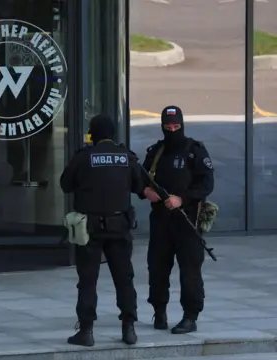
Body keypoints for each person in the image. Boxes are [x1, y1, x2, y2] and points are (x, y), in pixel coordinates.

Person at [60, 114, 144, 347]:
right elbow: (139, 186)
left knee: (88, 280)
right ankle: (129, 328)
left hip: (90, 229)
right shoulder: (127, 158)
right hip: (119, 228)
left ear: (93, 134)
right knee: (124, 279)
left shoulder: (84, 157)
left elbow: (65, 184)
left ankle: (86, 331)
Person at [139, 105, 215, 334]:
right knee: (157, 268)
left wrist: (182, 199)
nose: (172, 130)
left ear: (182, 125)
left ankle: (190, 316)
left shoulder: (195, 151)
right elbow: (140, 178)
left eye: (176, 126)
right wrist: (145, 192)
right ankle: (159, 311)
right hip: (161, 222)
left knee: (190, 270)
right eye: (168, 127)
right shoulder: (156, 152)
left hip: (187, 221)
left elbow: (206, 184)